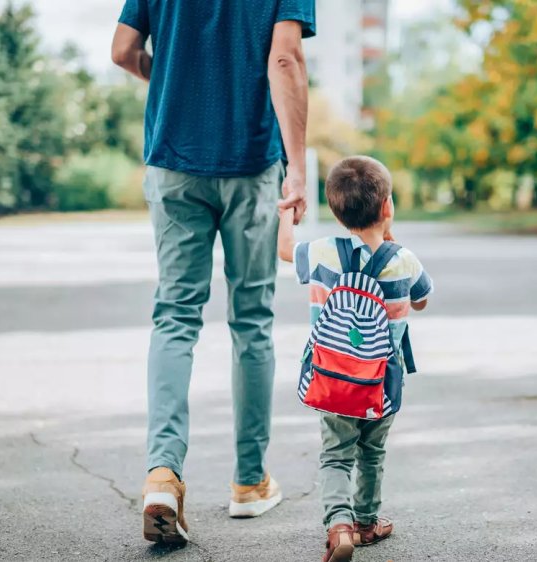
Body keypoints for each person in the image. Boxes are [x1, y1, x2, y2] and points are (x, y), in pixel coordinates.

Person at [110, 0, 316, 545]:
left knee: (175, 316)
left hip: (173, 158)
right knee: (251, 320)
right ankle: (249, 482)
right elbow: (286, 60)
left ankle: (162, 473)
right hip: (251, 162)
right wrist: (297, 168)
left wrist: (174, 77)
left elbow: (124, 51)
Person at [277, 156, 433, 562]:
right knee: (371, 452)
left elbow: (283, 251)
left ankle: (339, 525)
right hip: (381, 383)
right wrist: (390, 238)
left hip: (331, 380)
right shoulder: (405, 260)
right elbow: (421, 300)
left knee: (335, 453)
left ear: (335, 210)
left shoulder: (322, 253)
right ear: (387, 207)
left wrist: (286, 212)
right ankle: (366, 521)